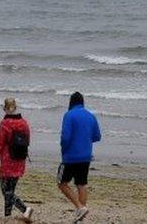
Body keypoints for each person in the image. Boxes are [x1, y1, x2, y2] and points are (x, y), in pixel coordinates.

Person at [0, 97, 35, 222]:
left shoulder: (5, 123)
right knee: (10, 190)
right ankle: (8, 216)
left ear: (5, 108)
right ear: (16, 107)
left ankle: (24, 209)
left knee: (6, 191)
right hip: (20, 160)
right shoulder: (24, 123)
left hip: (8, 161)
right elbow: (27, 141)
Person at [57, 91, 101, 222]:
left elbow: (65, 137)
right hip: (86, 156)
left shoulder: (69, 115)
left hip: (70, 156)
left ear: (71, 102)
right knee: (81, 184)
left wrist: (63, 150)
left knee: (61, 183)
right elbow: (97, 136)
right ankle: (81, 212)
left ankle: (80, 207)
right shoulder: (91, 116)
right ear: (82, 102)